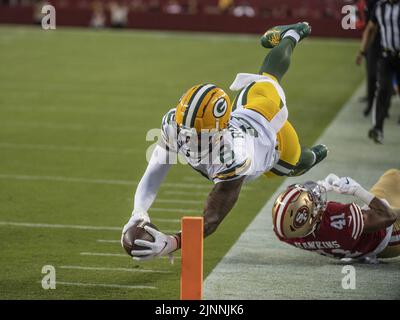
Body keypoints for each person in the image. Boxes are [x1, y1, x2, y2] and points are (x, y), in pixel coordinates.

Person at [122, 22, 328, 261]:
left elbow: (212, 218)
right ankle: (289, 35)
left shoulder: (233, 155)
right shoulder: (173, 123)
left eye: (198, 135)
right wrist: (138, 211)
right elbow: (155, 169)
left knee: (297, 162)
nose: (187, 140)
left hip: (270, 130)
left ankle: (293, 33)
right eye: (185, 131)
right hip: (244, 111)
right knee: (266, 78)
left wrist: (172, 242)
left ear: (220, 131)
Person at [271, 169, 400, 262]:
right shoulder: (340, 223)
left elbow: (287, 219)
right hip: (387, 238)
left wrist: (320, 188)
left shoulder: (284, 233)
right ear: (311, 219)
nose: (315, 199)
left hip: (359, 247)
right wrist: (356, 190)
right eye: (312, 200)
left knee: (393, 176)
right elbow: (388, 216)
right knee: (394, 179)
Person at [356, 0, 400, 143]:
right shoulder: (380, 6)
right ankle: (377, 128)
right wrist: (362, 51)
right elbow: (370, 28)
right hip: (387, 56)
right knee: (383, 89)